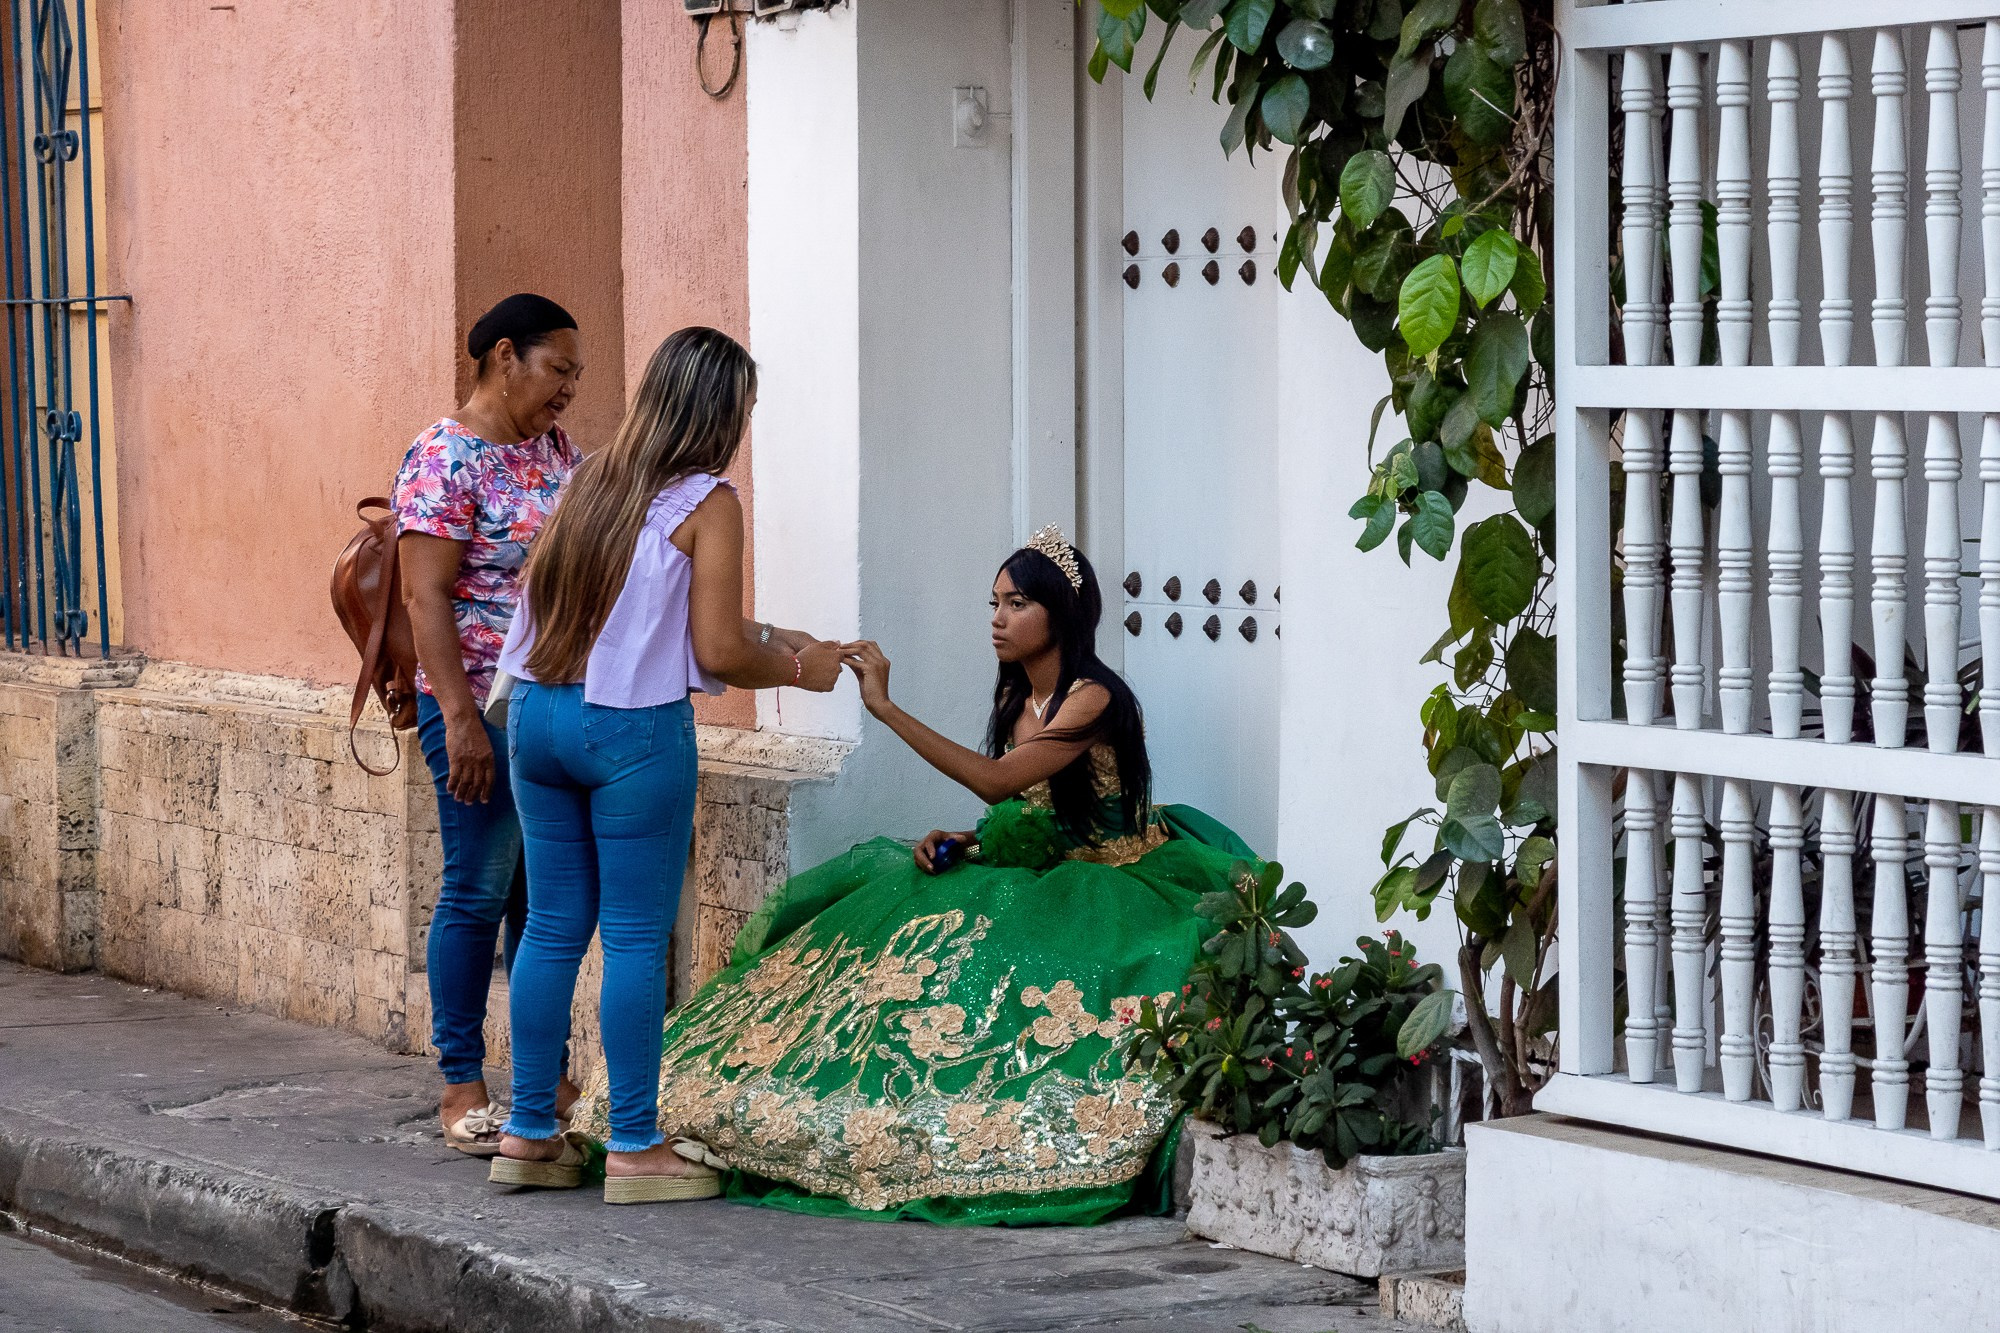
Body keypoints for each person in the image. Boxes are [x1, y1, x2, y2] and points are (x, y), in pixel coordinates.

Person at [564, 526, 1258, 1221]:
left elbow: (996, 780)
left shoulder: (1095, 697)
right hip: (1055, 865)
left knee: (1005, 964)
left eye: (1016, 604)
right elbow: (1025, 805)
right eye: (993, 603)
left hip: (1120, 880)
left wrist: (886, 709)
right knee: (906, 933)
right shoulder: (1020, 701)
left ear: (1062, 614)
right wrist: (969, 839)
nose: (997, 619)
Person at [485, 327, 844, 1205]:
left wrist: (779, 635)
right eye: (746, 410)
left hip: (537, 714)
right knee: (638, 937)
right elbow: (714, 645)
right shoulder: (709, 500)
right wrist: (804, 668)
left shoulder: (593, 477)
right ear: (721, 412)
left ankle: (530, 1131)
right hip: (631, 731)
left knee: (551, 928)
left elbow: (649, 611)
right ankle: (636, 1146)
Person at [393, 293, 586, 1156]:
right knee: (476, 883)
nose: (569, 391)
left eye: (577, 376)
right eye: (558, 371)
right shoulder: (443, 458)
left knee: (536, 892)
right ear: (504, 356)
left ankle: (541, 1075)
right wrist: (462, 721)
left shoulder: (551, 450)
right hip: (471, 700)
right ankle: (462, 1080)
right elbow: (423, 596)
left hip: (544, 700)